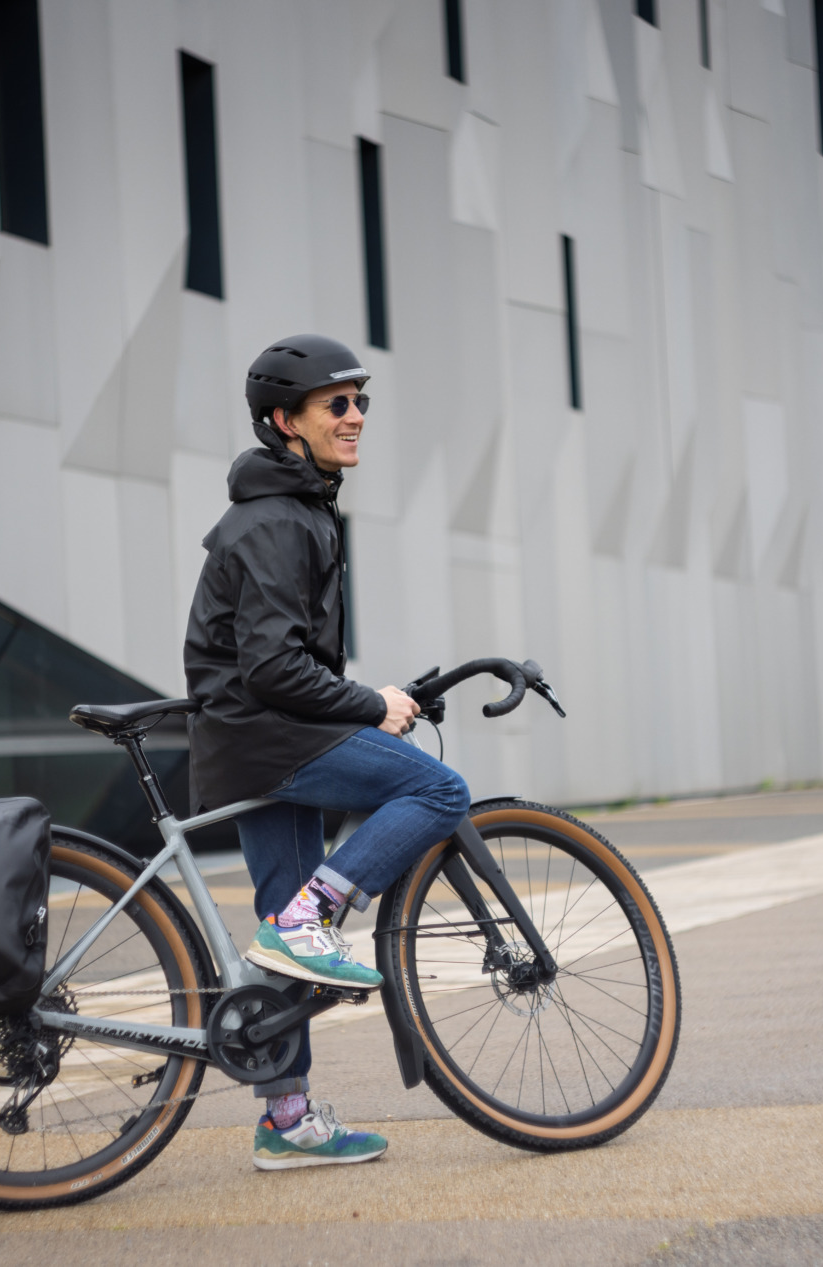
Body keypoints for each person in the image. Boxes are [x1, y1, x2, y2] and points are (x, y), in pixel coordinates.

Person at [184, 334, 472, 1172]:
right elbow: (275, 668)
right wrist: (366, 705)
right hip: (268, 738)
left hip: (256, 738)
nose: (355, 417)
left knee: (280, 933)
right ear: (285, 421)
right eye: (334, 404)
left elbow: (281, 660)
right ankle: (316, 914)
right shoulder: (278, 519)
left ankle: (287, 1117)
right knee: (442, 793)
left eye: (360, 402)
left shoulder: (293, 508)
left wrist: (365, 700)